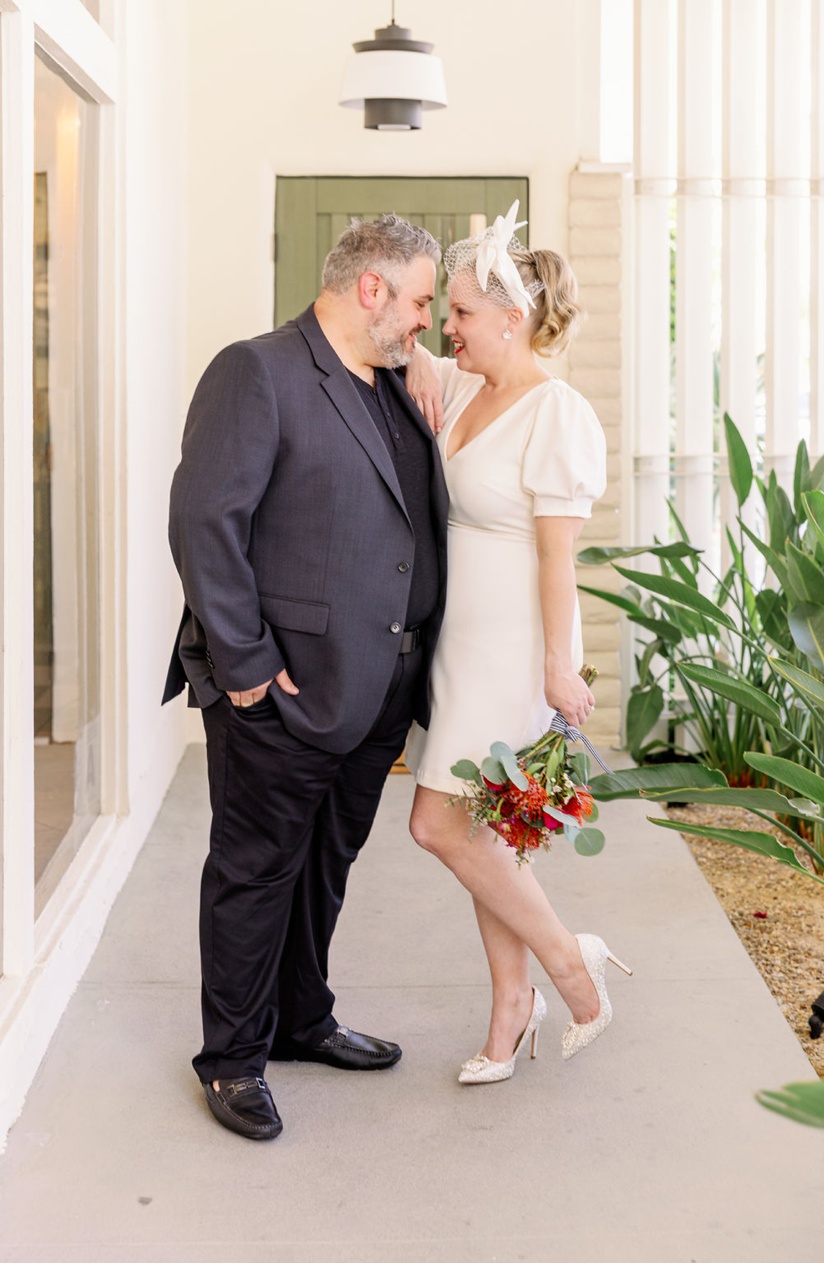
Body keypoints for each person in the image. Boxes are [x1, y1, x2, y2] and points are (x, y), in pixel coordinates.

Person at [165, 214, 448, 1140]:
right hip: (281, 691)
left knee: (325, 867)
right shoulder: (258, 371)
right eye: (414, 300)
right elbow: (207, 524)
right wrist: (245, 669)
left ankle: (301, 1019)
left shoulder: (397, 383)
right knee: (255, 870)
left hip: (379, 691)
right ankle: (233, 1058)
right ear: (370, 288)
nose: (424, 320)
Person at [402, 205, 627, 1085]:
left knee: (441, 823)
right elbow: (395, 343)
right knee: (486, 830)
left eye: (459, 312)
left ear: (512, 319)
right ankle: (511, 1002)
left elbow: (556, 558)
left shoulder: (557, 413)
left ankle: (572, 968)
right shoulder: (460, 389)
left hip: (513, 648)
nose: (447, 326)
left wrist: (558, 665)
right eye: (448, 311)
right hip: (456, 641)